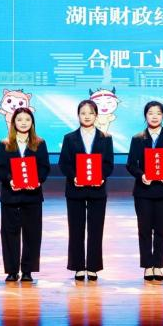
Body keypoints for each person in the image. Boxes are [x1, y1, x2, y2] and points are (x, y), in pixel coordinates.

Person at [0, 107, 50, 283]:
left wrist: (38, 180)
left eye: (27, 119)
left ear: (32, 123)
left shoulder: (40, 143)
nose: (23, 123)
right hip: (10, 195)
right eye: (19, 120)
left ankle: (27, 271)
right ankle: (11, 271)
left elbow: (44, 167)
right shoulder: (5, 143)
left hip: (33, 196)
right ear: (13, 122)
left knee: (32, 234)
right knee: (9, 233)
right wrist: (10, 180)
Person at [125, 101, 163, 282]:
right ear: (145, 116)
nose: (154, 116)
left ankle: (158, 265)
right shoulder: (138, 138)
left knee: (161, 230)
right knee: (144, 230)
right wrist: (141, 175)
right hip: (143, 191)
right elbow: (131, 164)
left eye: (158, 113)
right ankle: (147, 266)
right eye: (151, 113)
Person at [59, 99, 114, 281]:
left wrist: (101, 177)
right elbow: (64, 163)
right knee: (76, 228)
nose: (87, 116)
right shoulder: (69, 138)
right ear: (78, 116)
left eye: (90, 113)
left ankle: (93, 267)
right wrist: (74, 177)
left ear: (96, 115)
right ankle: (77, 266)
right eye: (83, 113)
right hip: (75, 189)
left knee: (96, 229)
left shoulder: (106, 138)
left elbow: (108, 163)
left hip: (98, 190)